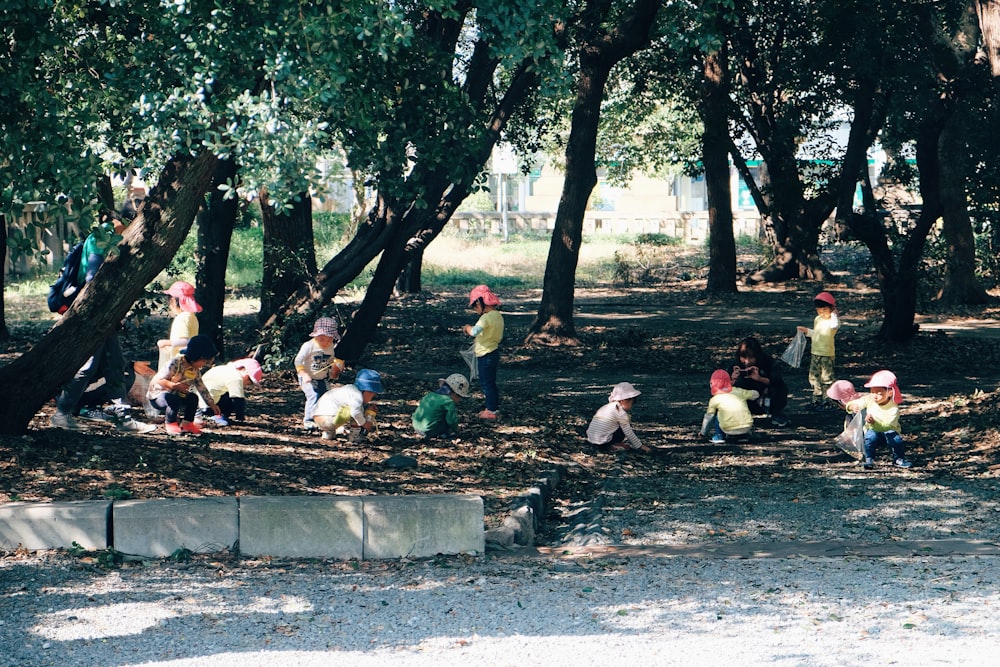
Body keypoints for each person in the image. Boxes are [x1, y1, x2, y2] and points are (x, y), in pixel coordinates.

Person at [49, 216, 155, 434]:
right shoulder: (101, 239)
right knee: (88, 366)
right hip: (93, 319)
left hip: (105, 321)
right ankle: (62, 412)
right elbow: (92, 278)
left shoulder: (102, 239)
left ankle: (122, 416)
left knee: (115, 363)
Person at [147, 334, 223, 436]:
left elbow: (201, 388)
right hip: (158, 395)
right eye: (203, 361)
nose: (203, 365)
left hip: (177, 395)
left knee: (193, 398)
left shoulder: (195, 371)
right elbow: (159, 380)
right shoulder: (175, 363)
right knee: (173, 399)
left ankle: (188, 423)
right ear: (195, 357)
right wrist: (173, 385)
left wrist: (211, 404)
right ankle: (171, 423)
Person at [845, 370, 912, 470]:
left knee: (896, 440)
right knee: (870, 437)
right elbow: (857, 402)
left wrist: (873, 422)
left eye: (879, 393)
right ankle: (869, 459)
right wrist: (852, 406)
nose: (875, 396)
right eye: (872, 392)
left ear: (889, 393)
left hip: (888, 431)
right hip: (872, 430)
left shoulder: (893, 408)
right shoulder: (869, 399)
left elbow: (887, 425)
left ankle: (898, 459)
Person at [294, 317, 345, 430]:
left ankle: (323, 419)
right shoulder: (309, 346)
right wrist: (303, 373)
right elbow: (298, 360)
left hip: (322, 376)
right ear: (316, 335)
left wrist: (336, 367)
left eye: (329, 340)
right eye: (322, 339)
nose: (326, 343)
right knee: (313, 395)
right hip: (307, 376)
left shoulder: (330, 347)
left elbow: (331, 360)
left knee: (326, 396)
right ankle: (309, 421)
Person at [463, 285, 504, 420]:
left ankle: (491, 410)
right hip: (494, 352)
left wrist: (467, 328)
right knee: (490, 382)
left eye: (475, 306)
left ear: (480, 303)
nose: (475, 310)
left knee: (486, 383)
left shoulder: (485, 318)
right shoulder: (498, 316)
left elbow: (475, 331)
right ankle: (493, 406)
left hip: (485, 354)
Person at [729, 336, 790, 427]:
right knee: (737, 385)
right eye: (743, 357)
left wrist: (760, 378)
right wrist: (732, 379)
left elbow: (778, 382)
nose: (747, 361)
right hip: (746, 401)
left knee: (780, 387)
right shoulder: (735, 365)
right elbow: (721, 388)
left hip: (766, 399)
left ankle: (777, 414)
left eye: (751, 357)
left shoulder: (768, 362)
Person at [797, 291, 840, 411]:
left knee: (827, 378)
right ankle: (817, 398)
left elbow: (834, 326)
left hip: (827, 354)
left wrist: (834, 314)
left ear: (831, 309)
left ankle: (828, 400)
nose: (822, 314)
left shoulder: (832, 321)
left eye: (825, 311)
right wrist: (806, 331)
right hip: (815, 352)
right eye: (819, 311)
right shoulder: (818, 319)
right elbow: (817, 334)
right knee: (814, 377)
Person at [313, 369, 383, 442]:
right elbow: (355, 412)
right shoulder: (357, 395)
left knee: (351, 408)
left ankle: (328, 433)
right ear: (367, 391)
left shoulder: (349, 389)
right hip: (329, 419)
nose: (373, 397)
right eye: (372, 394)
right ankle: (354, 436)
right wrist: (365, 423)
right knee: (358, 411)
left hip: (317, 416)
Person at [586, 382, 650, 453]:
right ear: (624, 400)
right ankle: (612, 445)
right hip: (603, 442)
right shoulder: (620, 412)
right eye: (632, 402)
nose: (632, 405)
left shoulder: (607, 407)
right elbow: (628, 432)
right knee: (624, 426)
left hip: (592, 439)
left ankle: (610, 444)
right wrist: (640, 446)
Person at [197, 358, 264, 425]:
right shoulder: (236, 378)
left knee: (229, 394)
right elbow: (238, 400)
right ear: (246, 374)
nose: (247, 385)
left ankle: (216, 415)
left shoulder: (225, 369)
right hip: (207, 406)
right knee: (234, 398)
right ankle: (215, 416)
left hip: (201, 403)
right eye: (249, 382)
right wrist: (240, 418)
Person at [699, 369, 759, 444]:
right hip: (747, 426)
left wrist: (703, 433)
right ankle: (742, 436)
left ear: (712, 384)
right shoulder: (738, 391)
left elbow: (708, 418)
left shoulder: (715, 399)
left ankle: (719, 436)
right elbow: (755, 394)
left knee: (716, 415)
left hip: (727, 428)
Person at [157, 281, 202, 371]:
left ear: (173, 300)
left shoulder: (182, 318)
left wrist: (165, 343)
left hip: (180, 364)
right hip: (189, 362)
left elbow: (186, 341)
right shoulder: (192, 316)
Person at [412, 373, 470, 439]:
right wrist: (457, 431)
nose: (460, 400)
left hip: (416, 427)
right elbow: (452, 421)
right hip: (428, 430)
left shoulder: (430, 395)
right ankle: (444, 435)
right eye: (460, 396)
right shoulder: (448, 402)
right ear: (454, 393)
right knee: (446, 418)